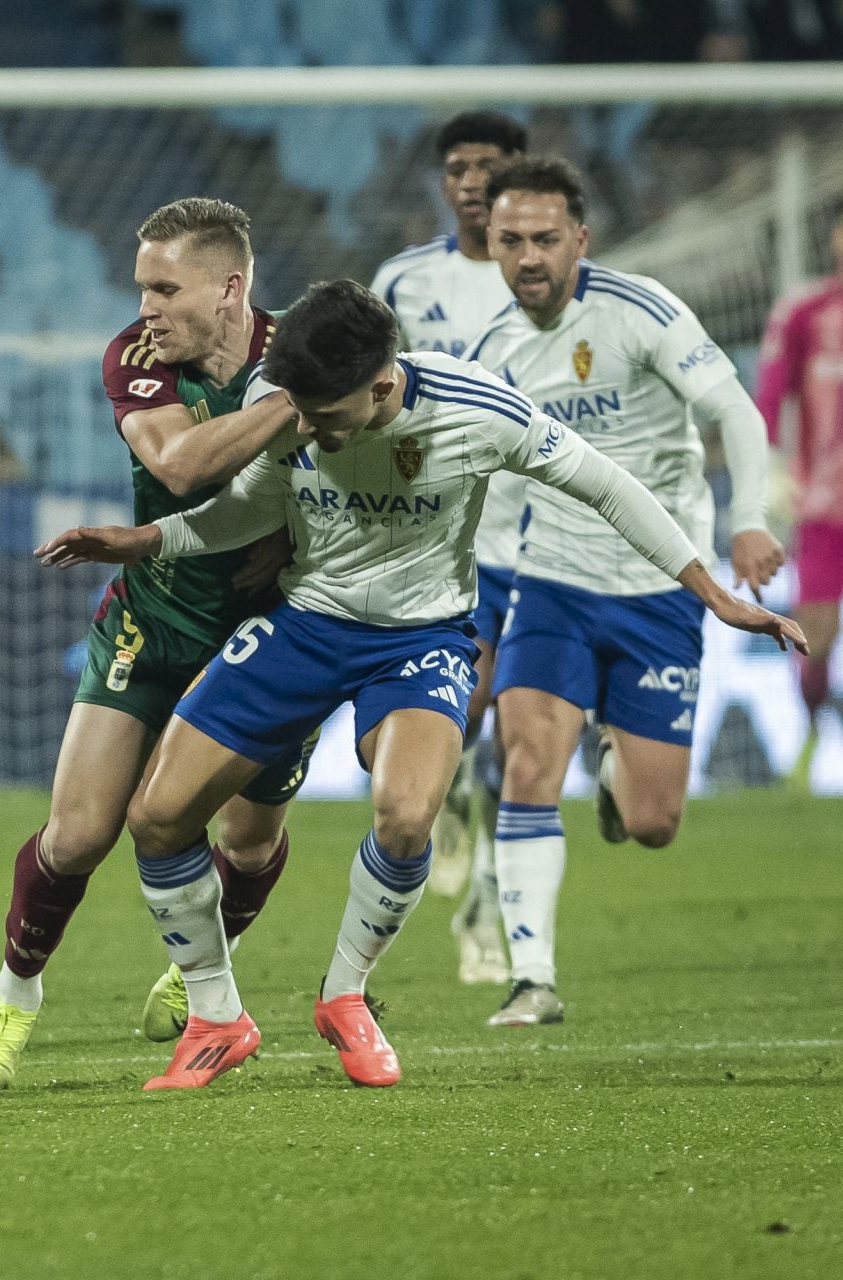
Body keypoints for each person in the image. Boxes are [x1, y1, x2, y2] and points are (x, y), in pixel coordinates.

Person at [35, 279, 804, 1090]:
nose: (308, 431)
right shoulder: (287, 396)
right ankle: (217, 1015)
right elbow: (249, 508)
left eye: (324, 417)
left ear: (380, 385)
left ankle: (345, 995)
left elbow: (608, 486)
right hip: (306, 624)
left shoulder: (480, 411)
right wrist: (146, 540)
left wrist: (715, 595)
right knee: (156, 818)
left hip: (421, 639)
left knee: (406, 813)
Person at [0, 198, 310, 1089]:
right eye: (140, 287)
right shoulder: (140, 359)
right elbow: (181, 469)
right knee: (76, 837)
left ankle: (207, 977)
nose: (144, 308)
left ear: (230, 289)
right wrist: (304, 406)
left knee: (250, 841)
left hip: (268, 639)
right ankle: (13, 996)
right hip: (152, 620)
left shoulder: (304, 351)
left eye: (164, 288)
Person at [469, 157, 786, 1026]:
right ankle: (532, 979)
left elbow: (738, 412)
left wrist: (749, 519)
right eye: (510, 240)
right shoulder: (492, 353)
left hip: (663, 586)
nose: (528, 255)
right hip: (554, 581)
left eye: (544, 238)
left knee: (654, 823)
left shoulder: (640, 310)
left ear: (580, 237)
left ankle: (612, 765)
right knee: (525, 761)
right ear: (490, 246)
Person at [369, 110, 530, 984]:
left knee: (519, 723)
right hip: (438, 535)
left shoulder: (545, 276)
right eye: (458, 168)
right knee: (469, 714)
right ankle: (461, 816)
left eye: (488, 166)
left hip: (533, 529)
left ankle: (489, 907)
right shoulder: (404, 280)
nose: (471, 181)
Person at [756, 207, 843, 787]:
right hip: (824, 506)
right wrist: (770, 469)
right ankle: (811, 730)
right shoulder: (806, 311)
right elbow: (767, 397)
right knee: (814, 639)